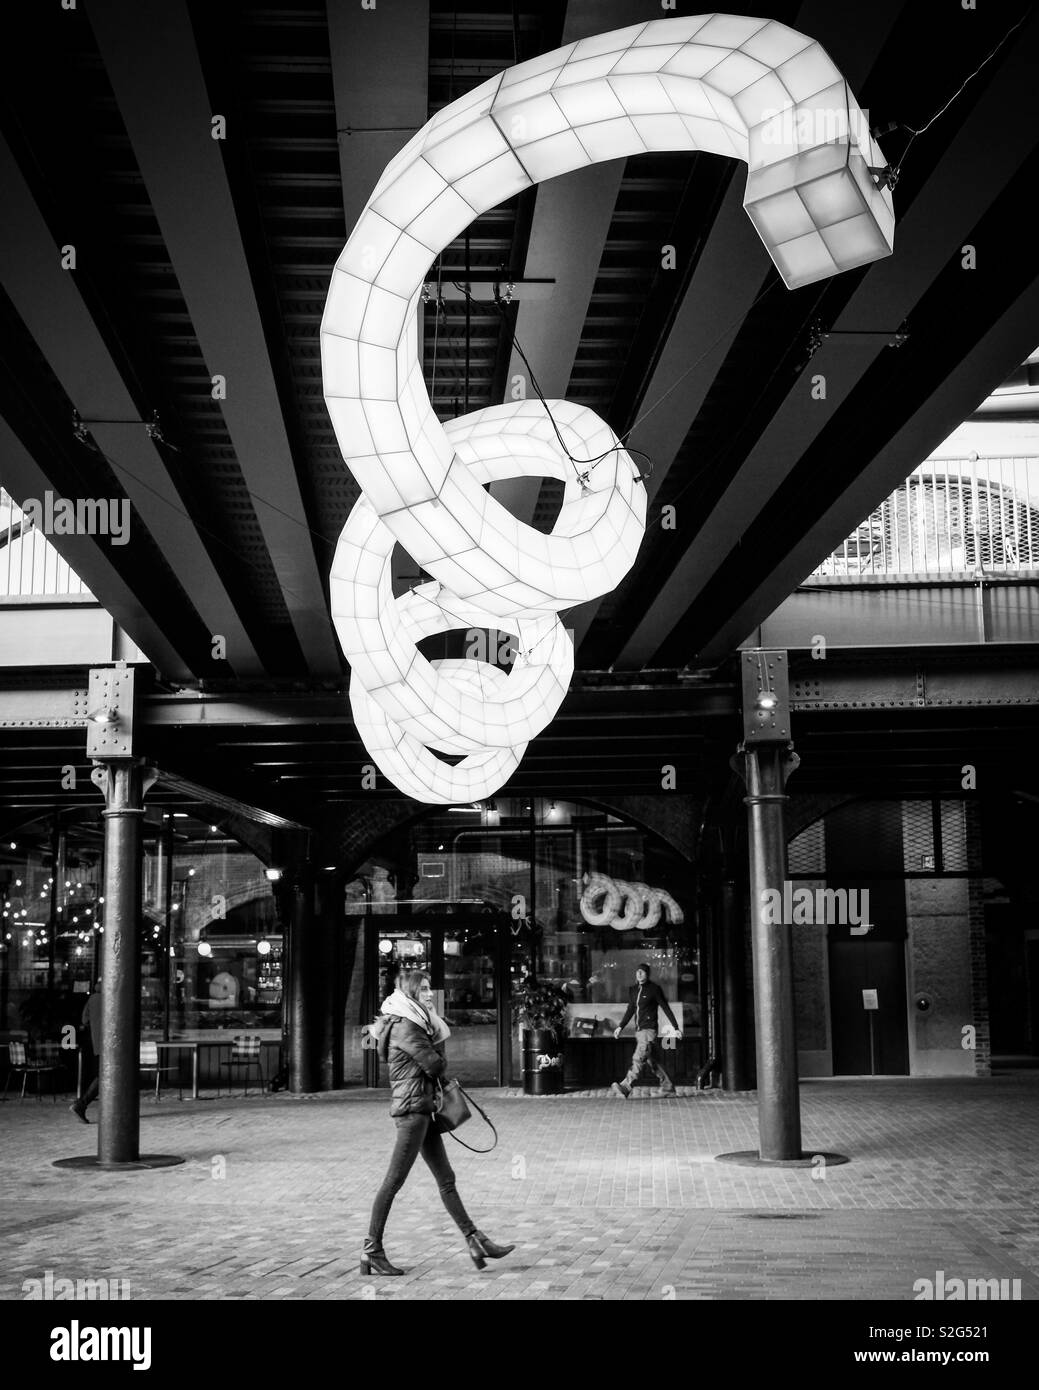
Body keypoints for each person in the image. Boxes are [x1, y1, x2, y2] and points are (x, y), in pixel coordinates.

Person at [361, 971, 514, 1276]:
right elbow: (435, 1065)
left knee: (446, 1178)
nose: (431, 994)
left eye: (431, 989)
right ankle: (371, 1250)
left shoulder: (414, 1021)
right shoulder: (407, 1026)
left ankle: (476, 1240)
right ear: (412, 993)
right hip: (412, 1114)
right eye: (426, 990)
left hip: (423, 1109)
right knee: (393, 1181)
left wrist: (433, 1025)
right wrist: (438, 1032)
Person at [610, 962, 680, 1099]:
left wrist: (676, 1028)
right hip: (639, 1031)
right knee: (653, 1062)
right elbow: (630, 1010)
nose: (639, 974)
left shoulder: (654, 989)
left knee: (638, 1057)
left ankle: (625, 1086)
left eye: (642, 972)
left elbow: (665, 1008)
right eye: (638, 972)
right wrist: (620, 1026)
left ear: (647, 974)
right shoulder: (633, 990)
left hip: (649, 1031)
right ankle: (668, 1087)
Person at [69, 979, 102, 1123]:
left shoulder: (92, 999)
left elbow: (84, 1020)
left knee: (105, 1075)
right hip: (113, 1044)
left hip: (98, 1043)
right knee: (106, 1076)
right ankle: (81, 1104)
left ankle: (82, 1104)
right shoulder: (112, 997)